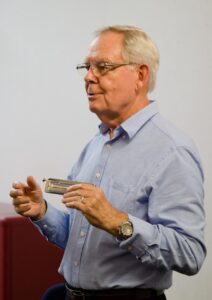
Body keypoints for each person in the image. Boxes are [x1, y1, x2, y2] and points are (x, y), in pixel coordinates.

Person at [10, 25, 206, 300]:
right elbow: (81, 240)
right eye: (86, 67)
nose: (89, 77)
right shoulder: (96, 144)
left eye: (102, 66)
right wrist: (41, 211)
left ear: (140, 74)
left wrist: (117, 222)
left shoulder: (172, 151)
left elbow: (190, 253)